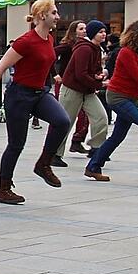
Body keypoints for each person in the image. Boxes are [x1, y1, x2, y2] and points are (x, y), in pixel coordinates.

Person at [0, 0, 72, 204]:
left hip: (39, 93)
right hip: (19, 95)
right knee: (16, 144)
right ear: (41, 15)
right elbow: (0, 68)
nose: (57, 17)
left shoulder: (50, 39)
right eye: (54, 13)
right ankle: (4, 188)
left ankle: (43, 164)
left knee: (62, 121)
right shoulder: (25, 41)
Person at [85, 21, 138, 181]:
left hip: (132, 98)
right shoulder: (126, 52)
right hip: (118, 97)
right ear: (137, 33)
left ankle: (93, 166)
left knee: (118, 135)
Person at [56, 20, 110, 162]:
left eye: (104, 31)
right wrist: (99, 83)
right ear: (93, 34)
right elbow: (80, 74)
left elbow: (92, 70)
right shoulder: (84, 49)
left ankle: (96, 148)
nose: (104, 34)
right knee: (65, 122)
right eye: (100, 32)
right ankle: (54, 154)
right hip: (72, 89)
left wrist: (99, 75)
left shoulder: (97, 48)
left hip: (87, 90)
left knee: (101, 118)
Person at [48, 20, 88, 167]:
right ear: (74, 31)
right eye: (81, 28)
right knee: (66, 118)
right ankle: (55, 153)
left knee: (85, 117)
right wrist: (55, 74)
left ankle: (77, 142)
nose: (85, 31)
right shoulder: (67, 46)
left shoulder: (85, 46)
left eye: (85, 28)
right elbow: (50, 55)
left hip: (81, 86)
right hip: (66, 84)